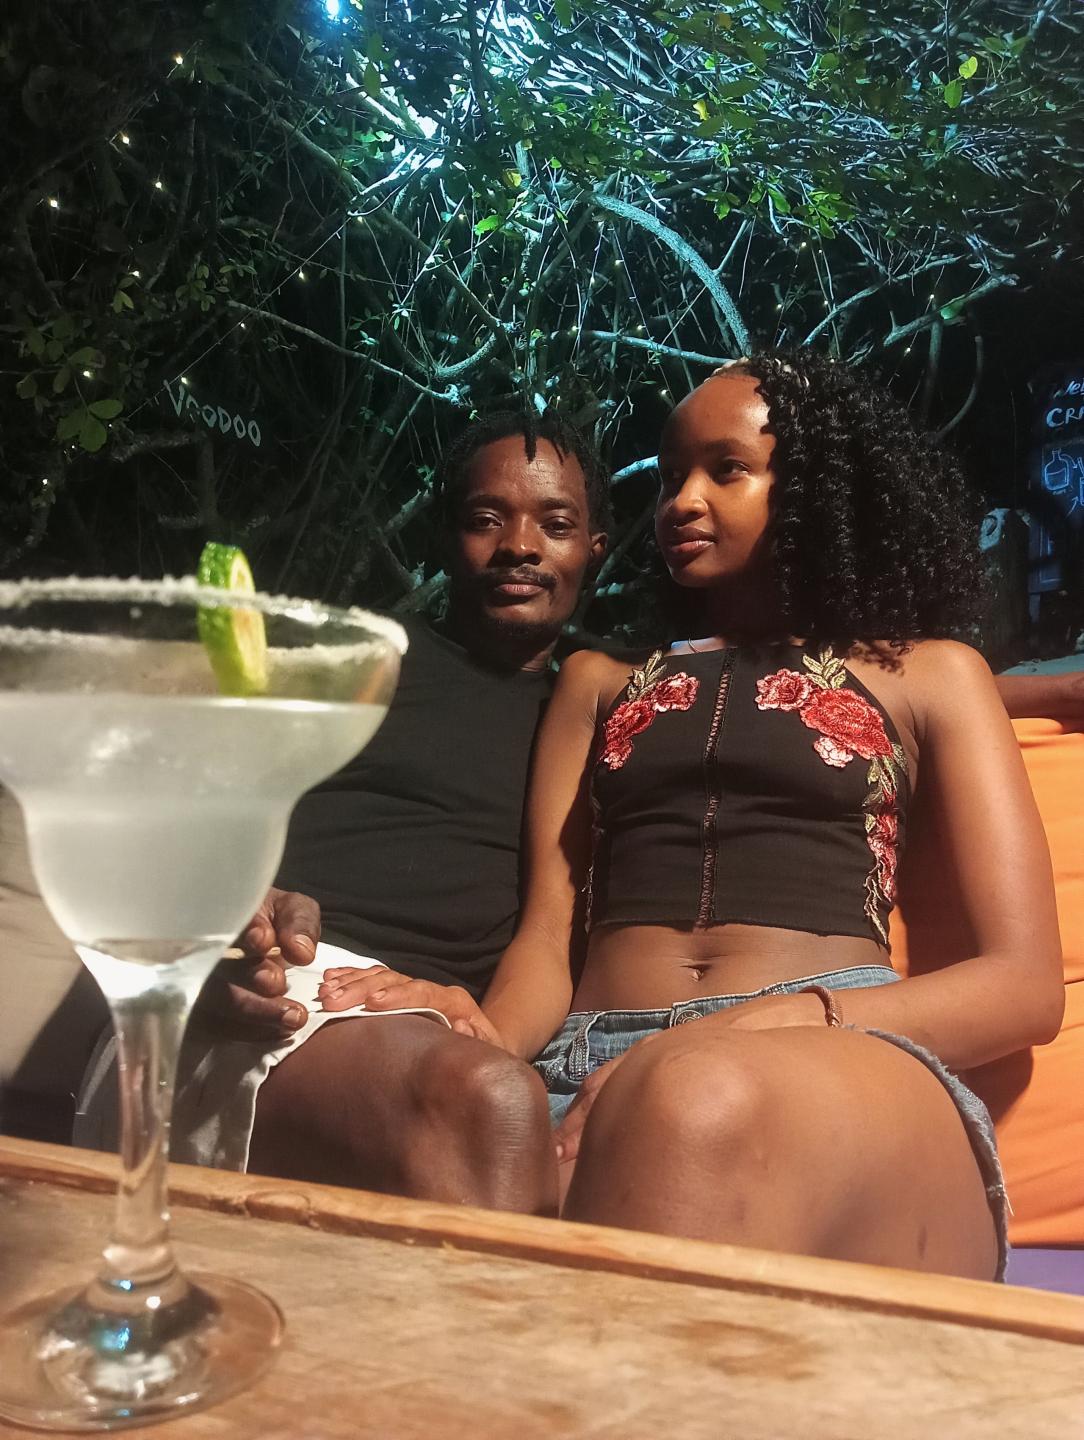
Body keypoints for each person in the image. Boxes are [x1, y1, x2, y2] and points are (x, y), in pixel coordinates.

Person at [326, 352, 1064, 1280]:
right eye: (672, 474)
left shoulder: (934, 675)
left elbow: (1022, 987)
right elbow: (550, 936)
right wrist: (484, 1040)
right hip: (586, 1060)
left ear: (814, 488)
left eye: (726, 470)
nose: (681, 500)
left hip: (830, 1046)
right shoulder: (599, 683)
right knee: (473, 1143)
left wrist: (758, 1026)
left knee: (688, 1102)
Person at [74, 410, 608, 1215]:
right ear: (445, 538)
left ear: (595, 549)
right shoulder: (353, 661)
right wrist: (216, 905)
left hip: (432, 1025)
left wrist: (489, 1033)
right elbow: (176, 801)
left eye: (555, 525)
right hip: (266, 984)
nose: (520, 547)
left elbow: (556, 932)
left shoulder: (599, 720)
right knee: (493, 1102)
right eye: (485, 519)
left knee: (521, 1112)